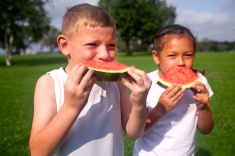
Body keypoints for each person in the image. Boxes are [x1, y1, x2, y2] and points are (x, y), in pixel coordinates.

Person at [29, 3, 151, 156]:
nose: (105, 54)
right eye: (93, 44)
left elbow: (134, 133)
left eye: (111, 45)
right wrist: (71, 107)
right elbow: (38, 152)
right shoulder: (50, 83)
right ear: (65, 45)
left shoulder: (116, 83)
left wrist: (139, 103)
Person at [133, 24, 214, 156]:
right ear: (156, 56)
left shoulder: (199, 82)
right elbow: (137, 132)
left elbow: (206, 129)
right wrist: (160, 109)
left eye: (188, 55)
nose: (181, 62)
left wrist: (203, 107)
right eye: (172, 55)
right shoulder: (146, 83)